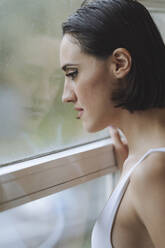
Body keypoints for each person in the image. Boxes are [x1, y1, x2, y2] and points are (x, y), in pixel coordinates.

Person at [60, 0, 165, 247]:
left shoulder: (152, 173)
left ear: (120, 63)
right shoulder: (144, 164)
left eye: (73, 73)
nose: (66, 96)